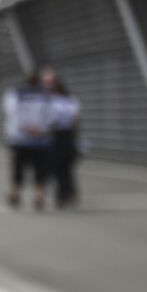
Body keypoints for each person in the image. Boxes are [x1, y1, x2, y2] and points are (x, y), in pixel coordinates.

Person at [3, 68, 54, 210]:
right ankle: (39, 195)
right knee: (40, 169)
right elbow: (50, 116)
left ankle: (15, 193)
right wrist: (40, 128)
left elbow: (11, 113)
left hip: (21, 138)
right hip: (40, 138)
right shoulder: (45, 95)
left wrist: (25, 127)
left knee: (18, 168)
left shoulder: (15, 94)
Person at [49, 80, 81, 208]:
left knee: (58, 167)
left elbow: (51, 120)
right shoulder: (71, 101)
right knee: (66, 167)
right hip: (68, 135)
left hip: (57, 135)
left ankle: (62, 195)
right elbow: (76, 120)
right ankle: (70, 192)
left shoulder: (54, 102)